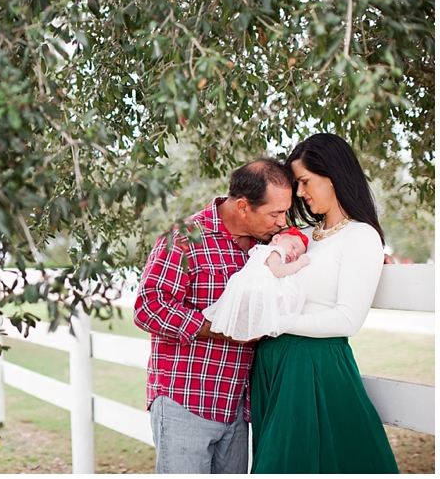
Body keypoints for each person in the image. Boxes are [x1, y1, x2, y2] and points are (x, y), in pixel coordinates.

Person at [250, 133, 399, 473]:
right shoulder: (305, 236)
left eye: (304, 182)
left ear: (332, 176)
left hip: (312, 365)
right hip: (276, 364)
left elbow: (347, 320)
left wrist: (273, 322)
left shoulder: (361, 236)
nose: (299, 193)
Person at [134, 158, 292, 474]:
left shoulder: (265, 246)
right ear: (244, 207)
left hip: (236, 406)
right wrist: (221, 328)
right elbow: (148, 306)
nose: (282, 221)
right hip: (186, 401)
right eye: (275, 213)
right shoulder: (184, 238)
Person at [202, 226, 310, 341]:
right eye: (293, 247)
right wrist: (299, 263)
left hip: (248, 286)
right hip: (258, 287)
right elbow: (278, 270)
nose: (294, 254)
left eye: (297, 255)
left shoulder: (262, 250)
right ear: (277, 239)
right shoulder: (275, 252)